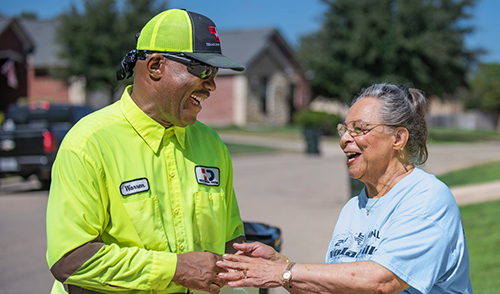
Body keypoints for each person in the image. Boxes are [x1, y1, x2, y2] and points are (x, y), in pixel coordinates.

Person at [46, 9, 247, 294]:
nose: (212, 84)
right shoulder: (89, 143)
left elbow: (230, 240)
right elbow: (69, 259)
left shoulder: (211, 144)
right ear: (155, 66)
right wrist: (176, 269)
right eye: (203, 70)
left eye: (214, 73)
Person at [217, 83, 473, 294]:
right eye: (344, 129)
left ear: (398, 138)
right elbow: (336, 287)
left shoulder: (426, 197)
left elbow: (383, 281)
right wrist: (281, 267)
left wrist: (286, 272)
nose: (344, 140)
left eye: (359, 129)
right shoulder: (354, 207)